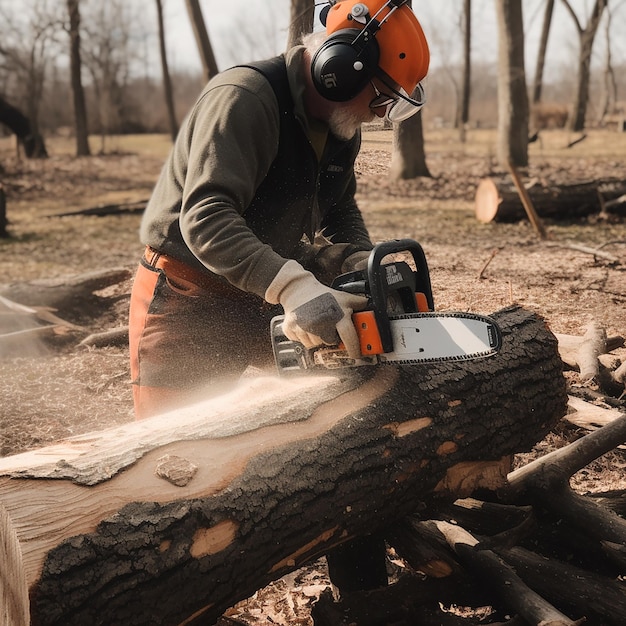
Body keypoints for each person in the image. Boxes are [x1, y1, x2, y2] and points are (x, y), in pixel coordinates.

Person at [129, 0, 430, 420]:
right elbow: (205, 217)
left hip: (268, 283)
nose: (380, 115)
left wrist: (361, 265)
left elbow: (339, 207)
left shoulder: (342, 124)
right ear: (340, 69)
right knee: (170, 446)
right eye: (380, 98)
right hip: (192, 291)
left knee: (318, 423)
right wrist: (294, 288)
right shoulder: (246, 98)